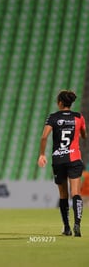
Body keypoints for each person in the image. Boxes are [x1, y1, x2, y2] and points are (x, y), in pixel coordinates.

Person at [38, 90, 86, 237]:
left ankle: (66, 228)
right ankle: (77, 224)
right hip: (74, 159)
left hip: (59, 160)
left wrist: (41, 155)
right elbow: (84, 134)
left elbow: (44, 137)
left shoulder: (53, 117)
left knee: (63, 195)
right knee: (76, 193)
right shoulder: (78, 117)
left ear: (60, 102)